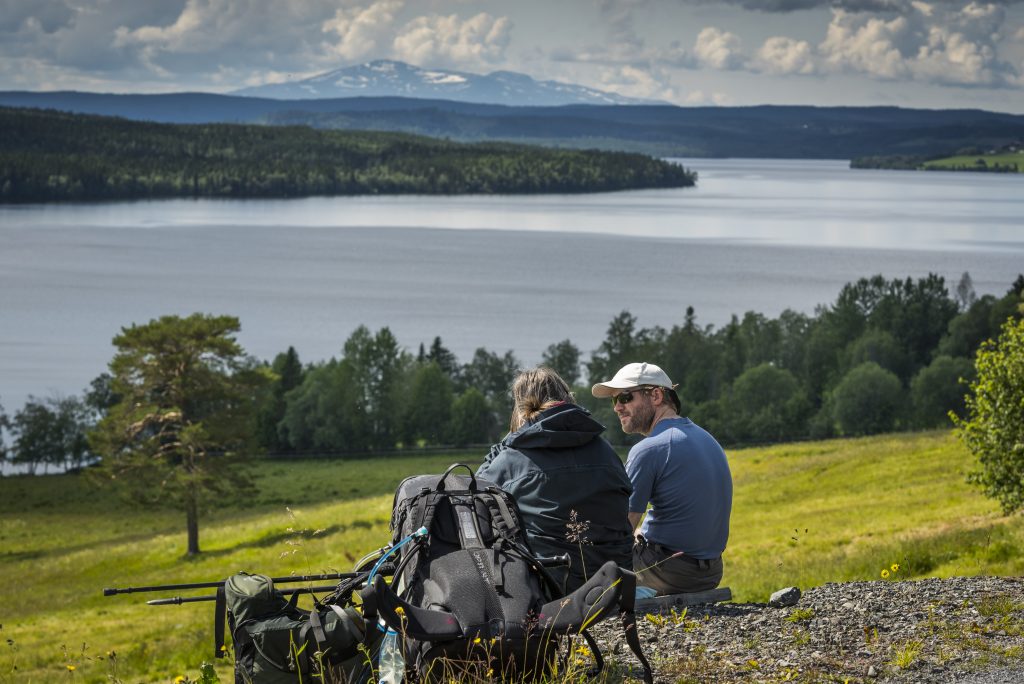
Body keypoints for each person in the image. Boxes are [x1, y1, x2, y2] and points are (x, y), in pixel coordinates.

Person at [476, 366, 634, 594]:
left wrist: (508, 441)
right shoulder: (606, 451)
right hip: (614, 581)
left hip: (550, 587)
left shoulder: (512, 459)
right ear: (568, 398)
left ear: (521, 407)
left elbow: (475, 493)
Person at [592, 362, 732, 595]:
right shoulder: (708, 439)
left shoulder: (648, 449)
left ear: (656, 395)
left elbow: (620, 529)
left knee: (587, 556)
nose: (617, 407)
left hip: (669, 573)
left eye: (625, 397)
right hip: (711, 573)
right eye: (614, 400)